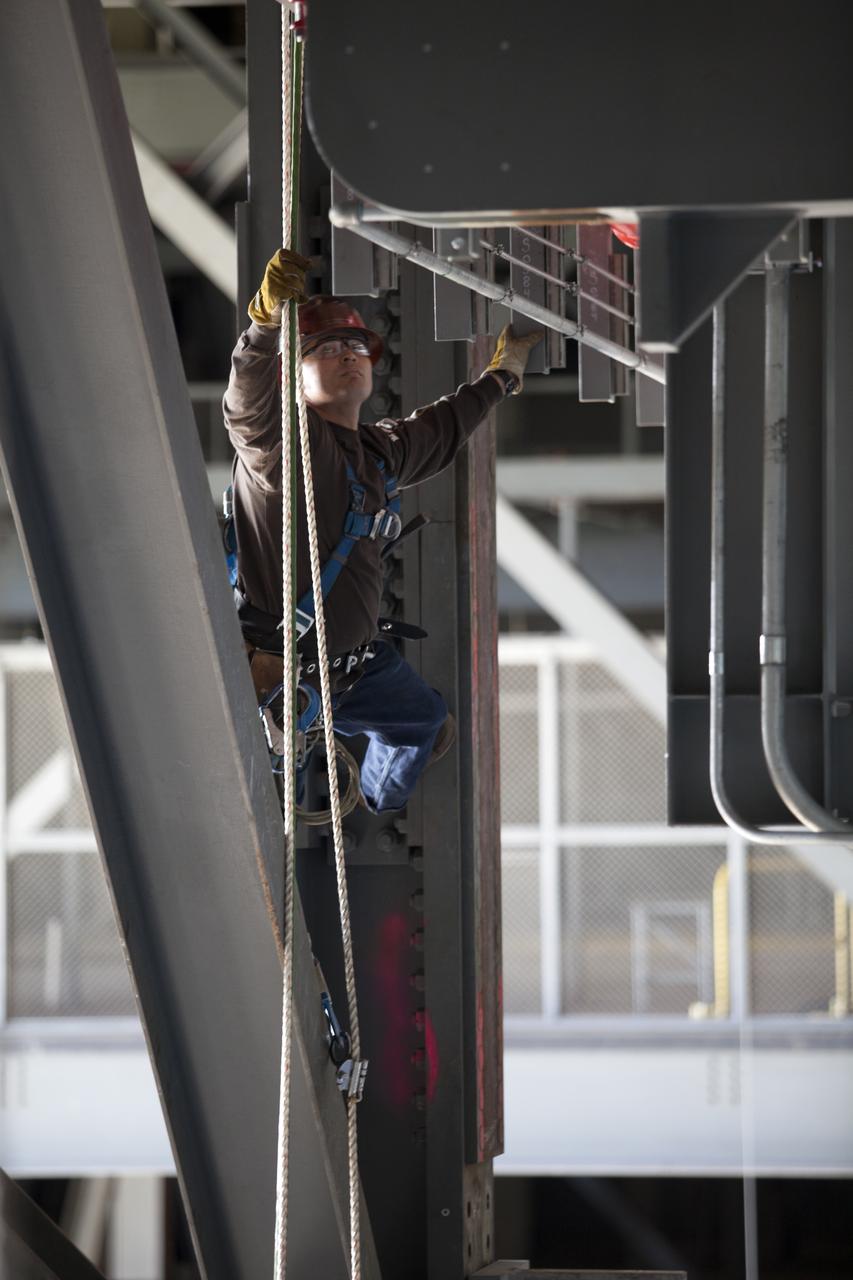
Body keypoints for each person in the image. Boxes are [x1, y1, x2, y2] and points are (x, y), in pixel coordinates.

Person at [223, 247, 542, 813]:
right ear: (290, 376)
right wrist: (264, 327)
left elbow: (440, 430)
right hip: (281, 671)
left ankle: (370, 798)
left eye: (354, 346)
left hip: (351, 667)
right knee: (273, 807)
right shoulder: (285, 448)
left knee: (425, 723)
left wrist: (502, 378)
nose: (348, 354)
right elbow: (248, 407)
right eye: (325, 348)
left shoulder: (375, 452)